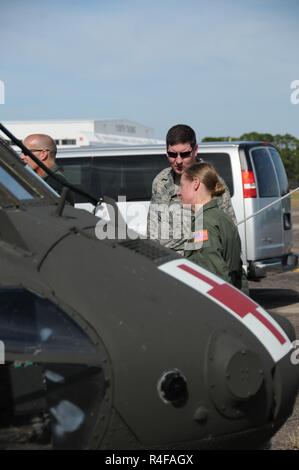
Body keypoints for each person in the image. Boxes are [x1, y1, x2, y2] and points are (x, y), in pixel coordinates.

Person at [147, 124, 236, 250]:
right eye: (172, 154)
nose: (178, 161)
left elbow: (229, 230)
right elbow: (153, 228)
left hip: (200, 262)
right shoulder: (161, 182)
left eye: (184, 154)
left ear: (195, 150)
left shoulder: (211, 181)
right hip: (167, 262)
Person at [178, 162, 248, 293]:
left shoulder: (204, 224)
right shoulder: (221, 217)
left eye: (182, 186)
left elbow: (212, 277)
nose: (178, 193)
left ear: (195, 184)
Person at [21, 134, 74, 205]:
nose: (21, 157)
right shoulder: (42, 179)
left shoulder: (54, 184)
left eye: (25, 152)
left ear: (43, 154)